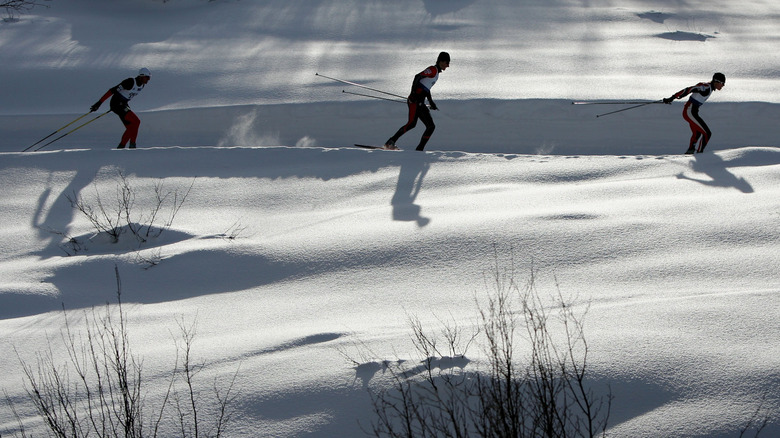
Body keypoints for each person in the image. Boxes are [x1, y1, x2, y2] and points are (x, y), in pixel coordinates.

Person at [384, 52, 450, 151]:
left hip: (420, 101)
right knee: (420, 125)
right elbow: (417, 77)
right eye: (446, 62)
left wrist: (431, 102)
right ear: (441, 61)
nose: (448, 65)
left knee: (424, 125)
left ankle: (395, 143)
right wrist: (413, 93)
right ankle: (415, 149)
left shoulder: (436, 74)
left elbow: (426, 88)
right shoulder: (432, 69)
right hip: (414, 101)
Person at [663, 72, 725, 154]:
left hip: (692, 111)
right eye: (723, 83)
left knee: (698, 133)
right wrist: (673, 97)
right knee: (707, 133)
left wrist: (674, 97)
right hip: (690, 111)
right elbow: (689, 89)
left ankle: (690, 151)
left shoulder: (708, 88)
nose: (723, 86)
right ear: (717, 81)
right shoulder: (706, 87)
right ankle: (700, 154)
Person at [90, 68, 152, 149]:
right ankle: (132, 146)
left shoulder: (142, 85)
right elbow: (112, 90)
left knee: (131, 127)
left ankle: (121, 147)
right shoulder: (130, 82)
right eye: (147, 77)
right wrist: (99, 103)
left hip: (123, 104)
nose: (148, 80)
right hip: (116, 104)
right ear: (141, 76)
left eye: (149, 78)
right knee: (136, 121)